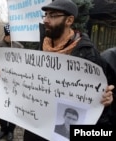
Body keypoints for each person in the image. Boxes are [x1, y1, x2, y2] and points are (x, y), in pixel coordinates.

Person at [23, 0, 114, 140]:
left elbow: (105, 93)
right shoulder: (40, 48)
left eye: (52, 15)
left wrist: (107, 99)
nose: (46, 20)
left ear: (69, 20)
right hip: (36, 129)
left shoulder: (88, 55)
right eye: (45, 15)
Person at [0, 24, 24, 141]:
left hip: (15, 84)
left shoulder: (19, 47)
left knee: (13, 107)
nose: (12, 38)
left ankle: (11, 130)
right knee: (2, 107)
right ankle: (3, 129)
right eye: (10, 36)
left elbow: (23, 65)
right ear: (6, 35)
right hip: (1, 83)